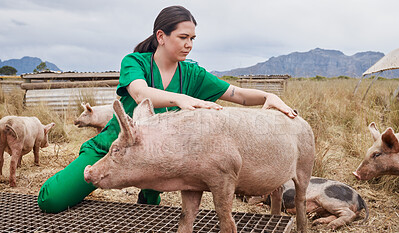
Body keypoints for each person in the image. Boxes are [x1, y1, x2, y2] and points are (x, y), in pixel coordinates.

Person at [37, 5, 297, 213]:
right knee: (52, 200)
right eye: (183, 37)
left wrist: (269, 95)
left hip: (160, 159)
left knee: (148, 215)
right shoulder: (135, 62)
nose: (189, 44)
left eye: (192, 38)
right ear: (161, 36)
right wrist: (180, 99)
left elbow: (237, 94)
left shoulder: (192, 72)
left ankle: (148, 195)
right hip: (115, 148)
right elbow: (139, 93)